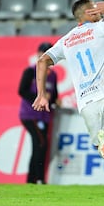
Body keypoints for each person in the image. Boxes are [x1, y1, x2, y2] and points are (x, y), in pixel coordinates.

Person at [32, 0, 104, 206]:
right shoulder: (102, 28)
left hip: (87, 105)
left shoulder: (66, 41)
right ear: (89, 13)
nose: (100, 11)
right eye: (96, 9)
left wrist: (41, 94)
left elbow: (42, 61)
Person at [18, 42, 59, 184]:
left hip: (45, 116)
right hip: (30, 114)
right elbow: (22, 91)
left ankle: (33, 180)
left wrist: (51, 98)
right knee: (41, 143)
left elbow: (54, 95)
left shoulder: (53, 75)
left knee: (40, 145)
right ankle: (38, 178)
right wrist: (39, 98)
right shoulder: (30, 71)